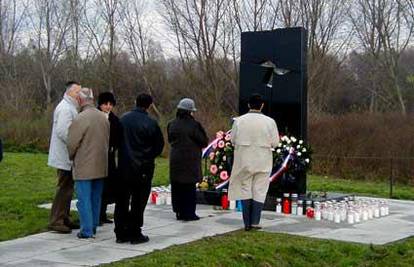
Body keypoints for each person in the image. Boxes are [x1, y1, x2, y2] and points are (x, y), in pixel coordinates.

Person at [114, 93, 164, 244]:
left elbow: (116, 141)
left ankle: (121, 232)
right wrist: (148, 157)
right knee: (138, 201)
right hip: (143, 168)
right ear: (149, 105)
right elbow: (159, 146)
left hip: (124, 166)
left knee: (122, 201)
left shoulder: (123, 119)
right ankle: (135, 232)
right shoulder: (151, 123)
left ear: (135, 102)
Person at [228, 94, 279, 231]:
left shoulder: (239, 121)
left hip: (244, 161)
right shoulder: (270, 122)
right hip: (263, 161)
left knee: (245, 189)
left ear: (248, 105)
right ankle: (255, 221)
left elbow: (232, 140)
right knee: (260, 190)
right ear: (262, 105)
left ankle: (246, 223)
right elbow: (275, 143)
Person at [67, 88, 110, 238]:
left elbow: (72, 143)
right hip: (101, 163)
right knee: (95, 197)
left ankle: (86, 230)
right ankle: (93, 225)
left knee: (84, 199)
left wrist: (71, 157)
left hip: (85, 164)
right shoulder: (103, 118)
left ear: (80, 100)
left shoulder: (80, 118)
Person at [47, 81, 81, 233]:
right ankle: (56, 220)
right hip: (64, 155)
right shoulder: (65, 108)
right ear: (69, 93)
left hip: (67, 155)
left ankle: (64, 217)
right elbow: (63, 131)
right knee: (64, 188)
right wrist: (76, 145)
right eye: (76, 92)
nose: (79, 95)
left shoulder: (70, 107)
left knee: (68, 188)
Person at [167, 98, 208, 221]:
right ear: (190, 112)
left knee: (177, 186)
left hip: (175, 159)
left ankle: (178, 211)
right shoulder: (194, 125)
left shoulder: (171, 124)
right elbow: (204, 141)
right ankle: (189, 213)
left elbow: (170, 140)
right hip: (190, 159)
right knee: (189, 187)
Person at [97, 92, 122, 225]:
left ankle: (103, 213)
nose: (108, 107)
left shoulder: (114, 119)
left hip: (110, 157)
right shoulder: (95, 116)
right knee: (98, 186)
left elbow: (118, 137)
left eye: (110, 104)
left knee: (107, 186)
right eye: (105, 104)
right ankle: (97, 214)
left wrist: (113, 147)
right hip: (96, 156)